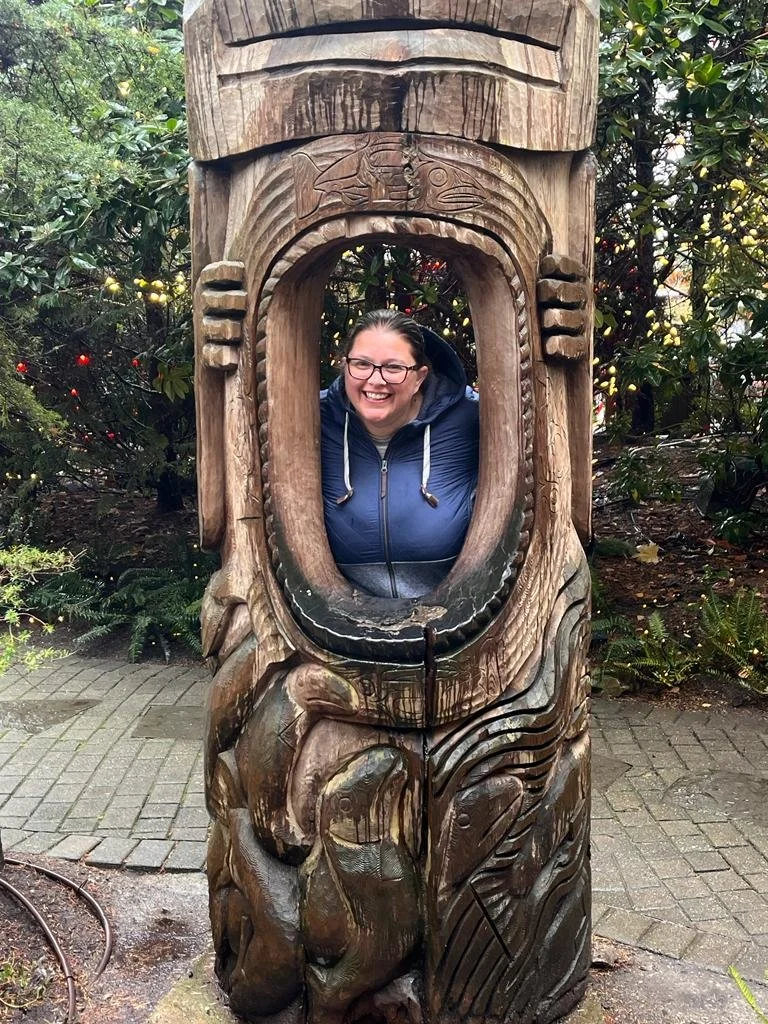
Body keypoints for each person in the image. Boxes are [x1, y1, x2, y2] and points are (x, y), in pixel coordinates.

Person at [321, 309, 479, 599]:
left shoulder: (468, 417)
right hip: (342, 613)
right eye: (361, 364)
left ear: (419, 377)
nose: (375, 380)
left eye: (393, 368)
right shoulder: (314, 418)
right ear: (345, 366)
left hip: (459, 608)